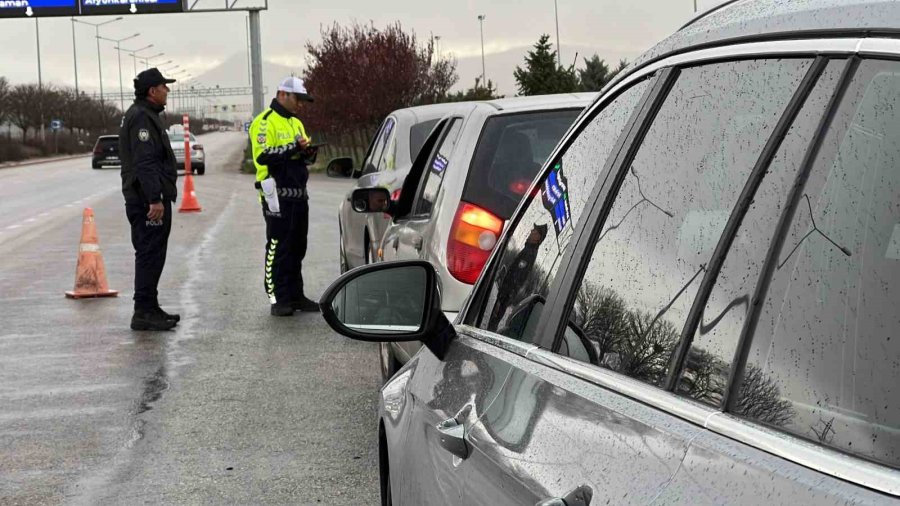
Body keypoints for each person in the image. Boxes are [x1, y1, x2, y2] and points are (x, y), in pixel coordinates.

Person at [249, 77, 320, 316]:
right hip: (275, 196)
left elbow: (302, 156)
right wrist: (294, 148)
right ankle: (277, 298)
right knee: (278, 246)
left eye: (302, 100)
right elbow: (263, 156)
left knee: (298, 247)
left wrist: (309, 153)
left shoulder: (296, 123)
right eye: (297, 99)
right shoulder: (264, 122)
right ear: (282, 95)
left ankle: (296, 295)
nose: (299, 104)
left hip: (299, 194)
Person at [120, 68, 181, 331]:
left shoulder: (147, 115)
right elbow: (145, 163)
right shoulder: (142, 118)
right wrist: (154, 199)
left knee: (154, 254)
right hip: (146, 200)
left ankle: (150, 306)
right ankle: (143, 311)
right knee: (148, 254)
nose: (167, 90)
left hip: (149, 197)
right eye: (163, 86)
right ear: (152, 91)